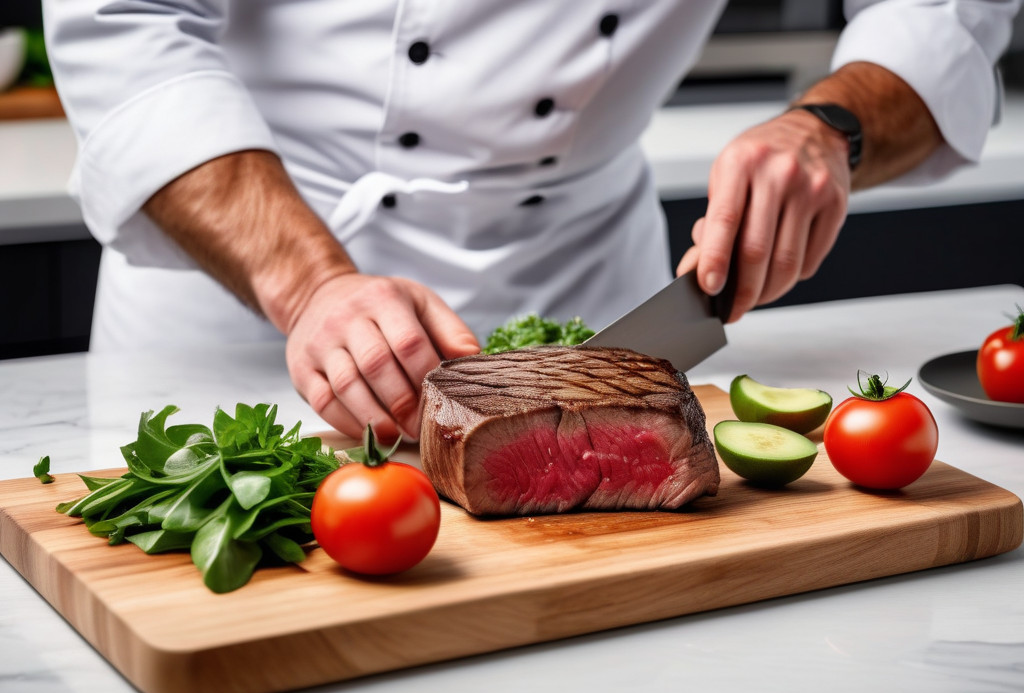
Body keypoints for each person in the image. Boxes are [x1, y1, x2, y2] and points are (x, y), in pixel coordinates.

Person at [43, 1, 1019, 442]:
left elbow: (948, 10)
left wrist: (832, 124)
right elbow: (122, 21)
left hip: (584, 281)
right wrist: (310, 286)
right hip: (246, 290)